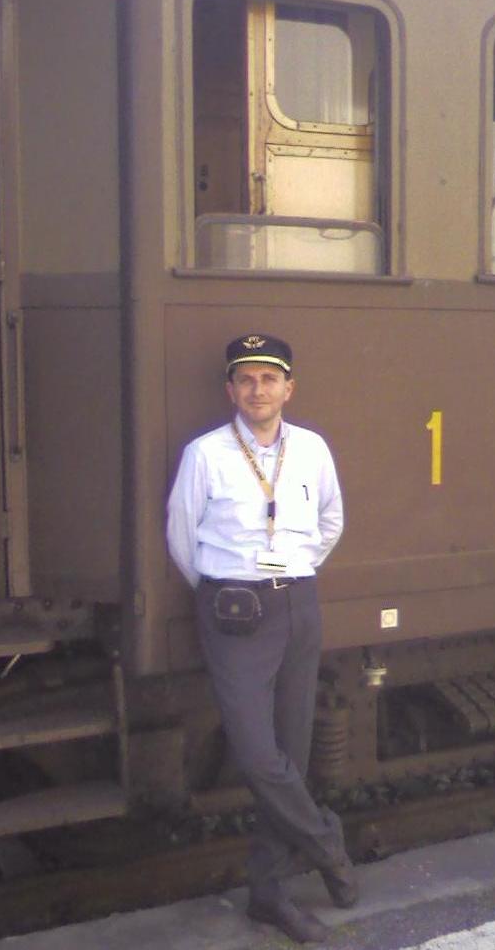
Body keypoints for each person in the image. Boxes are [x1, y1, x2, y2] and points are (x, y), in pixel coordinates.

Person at [165, 334, 357, 945]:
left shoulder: (313, 450)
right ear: (231, 390)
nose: (257, 390)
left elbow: (331, 521)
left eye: (269, 380)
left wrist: (292, 574)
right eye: (245, 380)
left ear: (288, 389)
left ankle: (269, 896)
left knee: (291, 751)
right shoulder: (205, 455)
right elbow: (180, 536)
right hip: (234, 613)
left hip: (299, 606)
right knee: (255, 752)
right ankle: (327, 841)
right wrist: (228, 589)